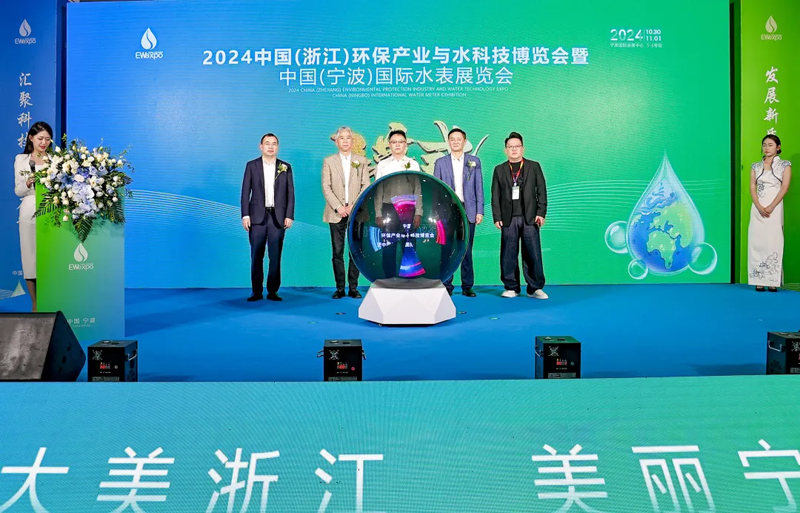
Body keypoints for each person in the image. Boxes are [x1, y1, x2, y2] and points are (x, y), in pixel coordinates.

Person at [491, 131, 548, 299]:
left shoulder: (534, 166)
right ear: (505, 150)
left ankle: (535, 288)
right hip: (508, 218)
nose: (514, 149)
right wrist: (497, 216)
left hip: (530, 217)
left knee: (533, 253)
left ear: (523, 148)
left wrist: (541, 212)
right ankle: (511, 287)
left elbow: (542, 190)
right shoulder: (499, 169)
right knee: (508, 253)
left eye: (517, 146)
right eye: (510, 147)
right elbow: (495, 195)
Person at [241, 133, 295, 301]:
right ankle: (256, 291)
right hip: (256, 217)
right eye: (267, 143)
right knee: (256, 255)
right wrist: (245, 215)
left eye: (274, 143)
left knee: (275, 256)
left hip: (278, 217)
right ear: (261, 146)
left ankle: (273, 291)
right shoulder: (252, 165)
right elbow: (245, 192)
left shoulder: (285, 167)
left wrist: (289, 215)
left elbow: (290, 194)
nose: (271, 146)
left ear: (277, 147)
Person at [433, 127, 484, 296]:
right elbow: (436, 190)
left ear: (464, 141)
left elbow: (479, 187)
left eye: (459, 139)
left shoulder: (474, 161)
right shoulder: (441, 162)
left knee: (466, 250)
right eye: (452, 139)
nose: (455, 142)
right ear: (448, 142)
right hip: (448, 210)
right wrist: (437, 212)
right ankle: (446, 284)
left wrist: (479, 211)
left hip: (469, 209)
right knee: (447, 248)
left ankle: (467, 286)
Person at [321, 127, 370, 299]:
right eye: (342, 138)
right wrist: (338, 207)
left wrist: (353, 206)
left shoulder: (361, 161)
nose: (345, 141)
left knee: (354, 251)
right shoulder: (328, 161)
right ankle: (340, 288)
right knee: (337, 252)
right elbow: (326, 187)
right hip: (336, 213)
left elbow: (366, 185)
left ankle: (353, 287)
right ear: (336, 141)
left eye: (348, 138)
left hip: (356, 213)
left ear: (352, 140)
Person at [14, 121, 53, 312]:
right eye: (40, 138)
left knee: (51, 258)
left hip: (52, 213)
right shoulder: (21, 160)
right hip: (29, 213)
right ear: (31, 138)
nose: (44, 143)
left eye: (47, 139)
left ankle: (53, 298)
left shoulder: (56, 160)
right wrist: (28, 182)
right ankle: (35, 305)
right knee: (30, 259)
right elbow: (18, 191)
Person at [373, 130, 422, 278]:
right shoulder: (382, 165)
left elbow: (417, 189)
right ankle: (389, 279)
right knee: (388, 247)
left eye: (401, 142)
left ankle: (410, 280)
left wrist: (418, 212)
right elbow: (378, 190)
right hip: (388, 209)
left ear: (406, 144)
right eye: (394, 142)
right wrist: (378, 213)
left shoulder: (413, 164)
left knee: (409, 246)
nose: (397, 145)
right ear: (389, 145)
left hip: (409, 209)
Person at [748, 134, 792, 292]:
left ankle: (772, 280)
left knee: (773, 240)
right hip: (757, 208)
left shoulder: (785, 165)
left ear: (778, 147)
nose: (767, 148)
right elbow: (752, 187)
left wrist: (772, 206)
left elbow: (784, 187)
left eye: (770, 145)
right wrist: (758, 206)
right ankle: (758, 279)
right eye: (764, 145)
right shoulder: (755, 166)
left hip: (775, 207)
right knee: (757, 242)